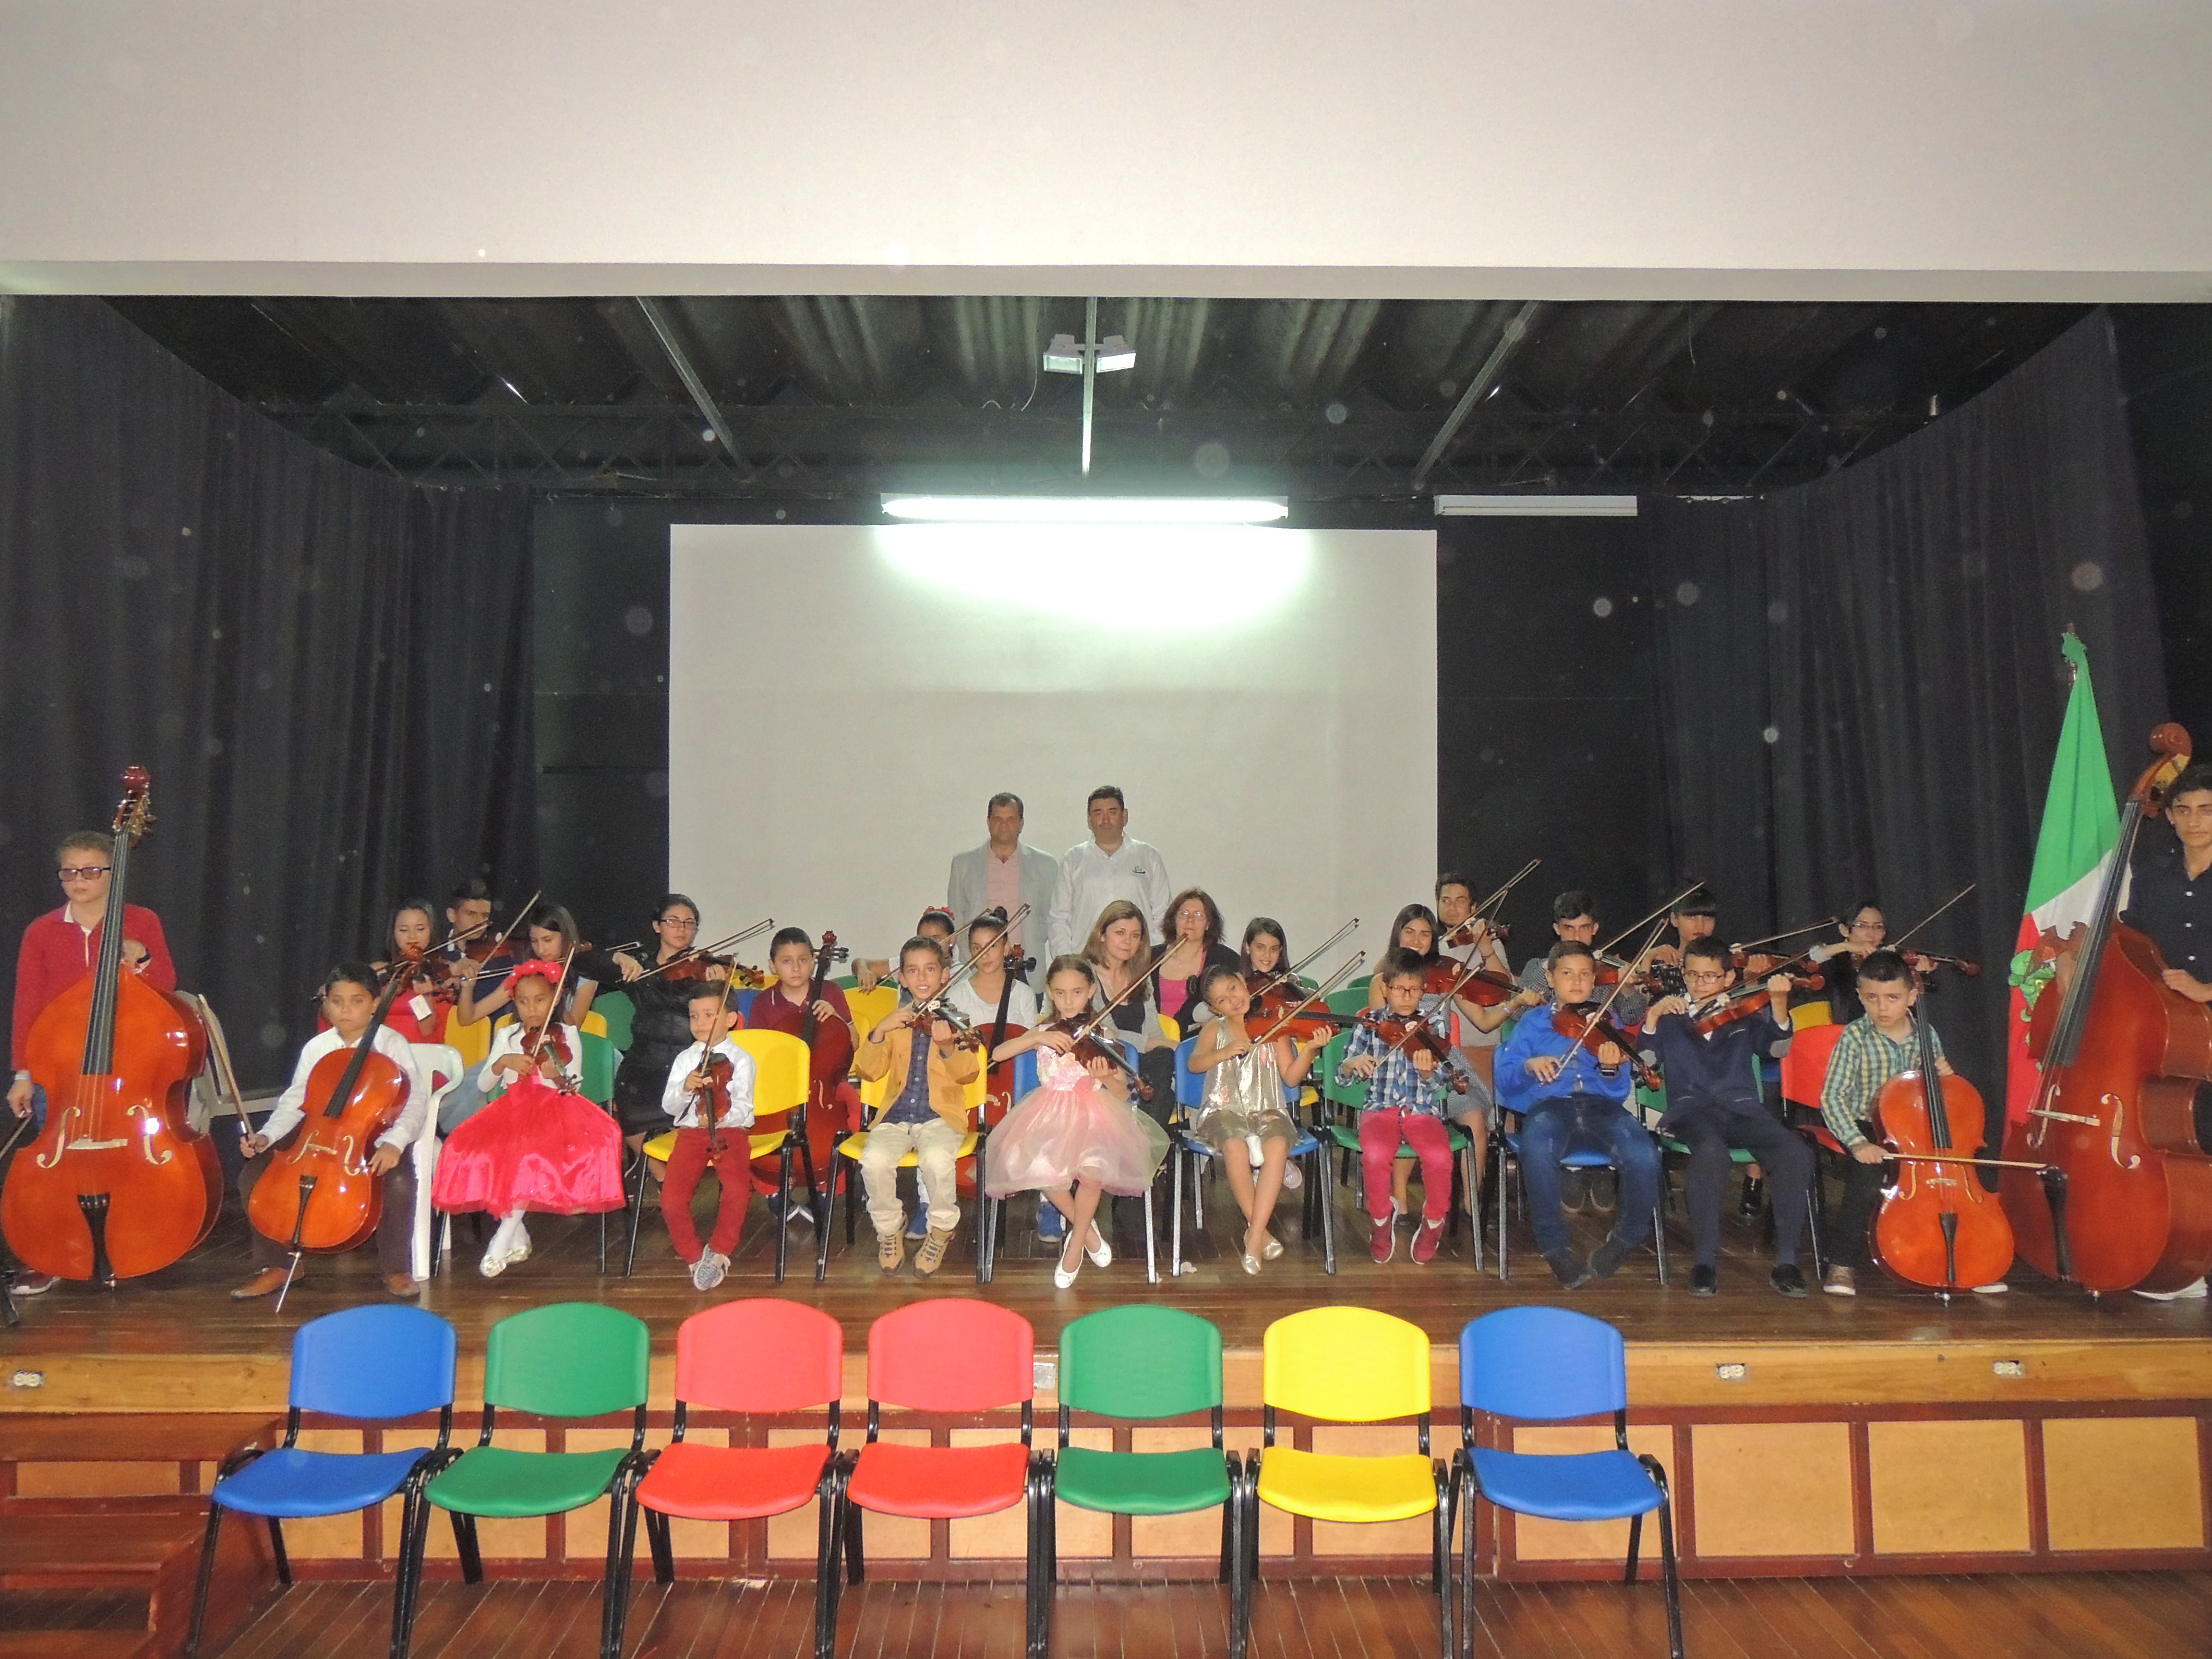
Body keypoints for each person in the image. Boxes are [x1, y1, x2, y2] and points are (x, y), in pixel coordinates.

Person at [8, 830, 179, 1296]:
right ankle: (49, 1256)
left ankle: (135, 1244)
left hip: (127, 1065)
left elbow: (166, 987)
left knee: (130, 1164)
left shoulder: (141, 920)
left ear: (113, 872)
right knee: (56, 1169)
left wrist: (141, 956)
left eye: (90, 871)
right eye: (69, 872)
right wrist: (23, 1073)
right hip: (59, 1069)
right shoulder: (41, 931)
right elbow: (28, 1005)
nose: (78, 880)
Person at [230, 964, 427, 1300]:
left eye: (356, 1001)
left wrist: (395, 1143)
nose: (345, 1010)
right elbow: (295, 1102)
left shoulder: (391, 1044)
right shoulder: (317, 1048)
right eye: (337, 1001)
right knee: (254, 1176)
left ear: (375, 1004)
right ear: (325, 1003)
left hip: (376, 1134)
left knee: (398, 1182)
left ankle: (396, 1268)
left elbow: (415, 1099)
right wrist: (267, 1136)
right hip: (317, 1134)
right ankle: (278, 1265)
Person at [1637, 938, 1811, 1297]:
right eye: (1692, 975)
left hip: (1742, 1108)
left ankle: (1788, 1262)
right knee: (1711, 1151)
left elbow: (1777, 1049)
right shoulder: (1670, 1016)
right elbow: (1647, 1064)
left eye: (1710, 977)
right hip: (1692, 1110)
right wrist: (1652, 1019)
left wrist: (1779, 1004)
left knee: (1795, 1153)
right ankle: (1704, 1262)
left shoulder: (1744, 1013)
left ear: (1729, 978)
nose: (1700, 984)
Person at [985, 955, 1171, 1288]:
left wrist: (1106, 1077)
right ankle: (1087, 1232)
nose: (1069, 1001)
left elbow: (1121, 1093)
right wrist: (1035, 1039)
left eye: (1077, 992)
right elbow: (998, 1054)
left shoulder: (1103, 1035)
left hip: (1094, 1114)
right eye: (1060, 993)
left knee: (1092, 1173)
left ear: (1091, 991)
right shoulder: (1046, 1032)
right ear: (1049, 993)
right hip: (1049, 1112)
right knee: (1039, 1167)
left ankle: (1075, 1247)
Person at [432, 961, 623, 1279]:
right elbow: (485, 1086)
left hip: (557, 1111)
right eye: (523, 1002)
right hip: (512, 1109)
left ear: (555, 999)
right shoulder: (507, 1034)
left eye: (540, 1000)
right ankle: (518, 1235)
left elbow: (574, 1084)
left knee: (526, 1158)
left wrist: (555, 1074)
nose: (532, 1009)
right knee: (465, 1149)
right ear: (514, 1002)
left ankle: (502, 1239)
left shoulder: (566, 1033)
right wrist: (502, 1062)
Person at [1497, 941, 1662, 1288]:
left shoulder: (1607, 1021)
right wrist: (1529, 1065)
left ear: (1594, 980)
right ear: (1550, 978)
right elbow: (1506, 1081)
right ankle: (1554, 1247)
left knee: (1644, 1154)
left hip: (1602, 1108)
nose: (1577, 982)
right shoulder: (1533, 1023)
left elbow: (1618, 1092)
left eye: (1585, 975)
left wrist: (1610, 1069)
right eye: (1568, 974)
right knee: (1537, 1148)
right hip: (1551, 1107)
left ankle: (1624, 1240)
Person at [1366, 902, 1537, 1220]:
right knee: (1412, 1113)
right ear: (1398, 935)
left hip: (1445, 1060)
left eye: (1425, 934)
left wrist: (1514, 1004)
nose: (1417, 941)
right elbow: (1382, 1030)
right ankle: (1399, 1196)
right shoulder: (1383, 979)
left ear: (1434, 939)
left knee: (1475, 1119)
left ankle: (1472, 1201)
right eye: (1409, 932)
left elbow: (1483, 1021)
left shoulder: (1447, 974)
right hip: (1402, 1063)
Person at [2117, 762, 2212, 1303]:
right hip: (2169, 1035)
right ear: (2171, 817)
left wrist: (2207, 989)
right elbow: (2134, 943)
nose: (2194, 821)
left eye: (2206, 810)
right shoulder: (2152, 875)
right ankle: (2186, 1260)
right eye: (2184, 810)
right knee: (2178, 1145)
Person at [1817, 948, 1959, 1297]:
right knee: (1867, 1180)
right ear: (1860, 996)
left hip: (1914, 1126)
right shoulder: (1855, 1037)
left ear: (1912, 996)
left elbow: (1941, 1095)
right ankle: (1842, 1262)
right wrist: (1858, 1142)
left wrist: (1946, 1077)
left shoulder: (1927, 1034)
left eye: (1892, 998)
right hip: (1867, 1123)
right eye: (1872, 998)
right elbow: (1832, 1097)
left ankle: (1951, 1255)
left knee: (1945, 1177)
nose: (1882, 1008)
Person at [1187, 962, 1330, 1273]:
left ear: (1243, 981)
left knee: (1277, 1146)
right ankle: (1260, 1234)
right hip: (1223, 1110)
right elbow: (1194, 1064)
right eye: (1222, 1000)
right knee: (1235, 1146)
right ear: (1214, 1009)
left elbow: (1291, 1078)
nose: (1233, 1000)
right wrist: (1223, 1053)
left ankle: (1253, 1237)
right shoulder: (1215, 1029)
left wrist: (1310, 1050)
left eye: (1234, 989)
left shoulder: (1274, 1027)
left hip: (1268, 1108)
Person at [1338, 949, 1478, 1266]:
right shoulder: (1369, 1025)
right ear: (1385, 988)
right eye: (1399, 989)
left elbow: (1441, 1082)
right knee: (1375, 1155)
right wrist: (1351, 1065)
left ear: (1423, 991)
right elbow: (1343, 1077)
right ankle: (1380, 1220)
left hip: (1422, 1110)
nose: (1406, 997)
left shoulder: (1433, 1025)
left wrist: (1428, 1074)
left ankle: (1434, 1221)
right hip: (1380, 1107)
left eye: (1414, 990)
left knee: (1440, 1157)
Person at [854, 937, 982, 1276]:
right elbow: (869, 1071)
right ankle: (889, 1227)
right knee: (874, 1160)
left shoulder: (957, 1023)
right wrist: (880, 1030)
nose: (922, 977)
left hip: (940, 1118)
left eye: (930, 969)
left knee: (936, 1160)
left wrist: (948, 1047)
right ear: (902, 978)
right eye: (913, 970)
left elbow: (969, 1074)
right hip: (896, 1116)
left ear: (944, 975)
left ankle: (941, 1229)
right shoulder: (897, 1022)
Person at [739, 927, 858, 1225]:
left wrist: (837, 1019)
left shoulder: (831, 992)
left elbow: (854, 1042)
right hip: (781, 1087)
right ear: (773, 966)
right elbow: (759, 1057)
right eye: (787, 961)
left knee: (854, 1111)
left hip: (826, 1083)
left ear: (815, 961)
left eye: (803, 960)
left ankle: (829, 1187)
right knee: (747, 1124)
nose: (796, 968)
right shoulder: (765, 1002)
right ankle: (774, 1189)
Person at [610, 895, 731, 1159]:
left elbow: (723, 1023)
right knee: (629, 1116)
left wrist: (718, 989)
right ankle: (662, 1175)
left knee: (695, 1125)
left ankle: (678, 1173)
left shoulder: (703, 969)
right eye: (673, 921)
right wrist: (619, 957)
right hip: (643, 1064)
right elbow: (584, 960)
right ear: (657, 926)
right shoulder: (640, 967)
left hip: (689, 1063)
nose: (682, 928)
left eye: (689, 923)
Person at [656, 981, 758, 1291]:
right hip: (691, 1134)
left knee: (737, 1190)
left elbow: (744, 1107)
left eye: (710, 1015)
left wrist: (721, 1115)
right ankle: (694, 1257)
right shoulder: (685, 1060)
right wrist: (685, 1088)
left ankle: (720, 1251)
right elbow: (670, 1107)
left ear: (731, 1019)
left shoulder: (742, 1060)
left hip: (730, 1133)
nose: (700, 1023)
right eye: (694, 1016)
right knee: (671, 1199)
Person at [1046, 786, 1173, 961]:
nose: (1105, 820)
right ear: (1089, 820)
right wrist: (1066, 960)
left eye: (1112, 812)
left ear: (1125, 816)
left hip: (1137, 960)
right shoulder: (1073, 859)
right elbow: (1059, 918)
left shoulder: (1148, 856)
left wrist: (1152, 955)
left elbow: (1163, 912)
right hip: (1086, 961)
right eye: (1098, 813)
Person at [948, 793, 1059, 983]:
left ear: (1021, 823)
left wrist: (1030, 942)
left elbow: (1049, 916)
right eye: (998, 819)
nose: (1004, 825)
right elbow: (957, 915)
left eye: (1011, 819)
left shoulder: (1045, 864)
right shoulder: (963, 863)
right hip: (977, 966)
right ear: (989, 822)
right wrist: (972, 952)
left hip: (1024, 965)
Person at [454, 903, 597, 1029]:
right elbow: (467, 1018)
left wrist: (553, 992)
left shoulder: (586, 976)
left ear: (565, 937)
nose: (541, 950)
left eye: (548, 940)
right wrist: (467, 989)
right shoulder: (526, 975)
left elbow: (573, 1029)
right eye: (535, 941)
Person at [1151, 889, 1240, 1034]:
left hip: (1199, 1039)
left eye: (1199, 915)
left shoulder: (1225, 959)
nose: (1190, 920)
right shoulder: (1151, 957)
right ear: (1174, 920)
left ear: (1208, 924)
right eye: (1184, 913)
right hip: (1155, 1037)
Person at [373, 898, 454, 1046]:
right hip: (383, 1050)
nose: (412, 937)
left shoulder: (442, 972)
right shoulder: (379, 971)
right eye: (404, 930)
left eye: (420, 929)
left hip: (422, 1051)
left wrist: (426, 996)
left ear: (431, 931)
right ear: (393, 933)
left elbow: (427, 1031)